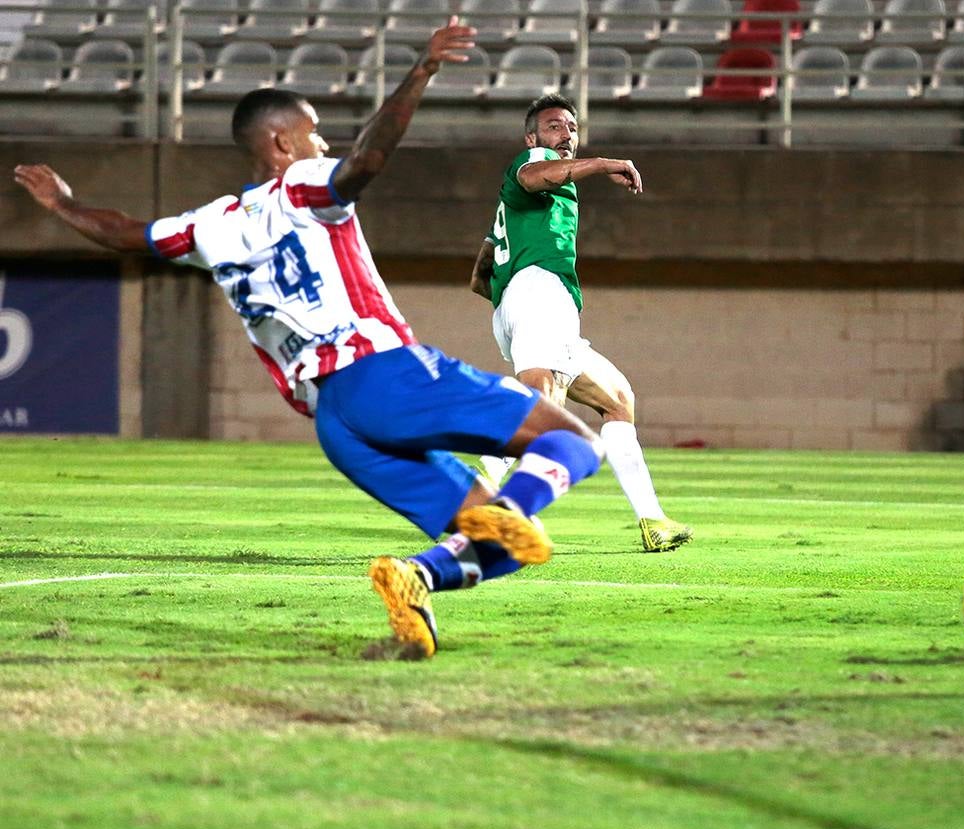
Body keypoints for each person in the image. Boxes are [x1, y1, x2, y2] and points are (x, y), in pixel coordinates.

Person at [13, 19, 606, 660]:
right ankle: (512, 510)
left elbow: (128, 233)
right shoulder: (301, 185)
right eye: (314, 130)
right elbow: (366, 162)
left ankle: (416, 580)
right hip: (381, 373)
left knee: (489, 547)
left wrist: (64, 204)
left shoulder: (209, 225)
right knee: (573, 440)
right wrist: (422, 70)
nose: (322, 140)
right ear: (280, 141)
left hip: (335, 425)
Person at [469, 94, 693, 554]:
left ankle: (652, 521)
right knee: (543, 408)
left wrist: (509, 297)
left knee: (617, 399)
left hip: (521, 302)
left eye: (570, 127)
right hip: (540, 295)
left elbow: (479, 274)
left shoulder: (516, 212)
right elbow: (537, 174)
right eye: (553, 127)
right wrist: (607, 163)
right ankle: (486, 505)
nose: (565, 135)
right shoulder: (534, 162)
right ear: (532, 137)